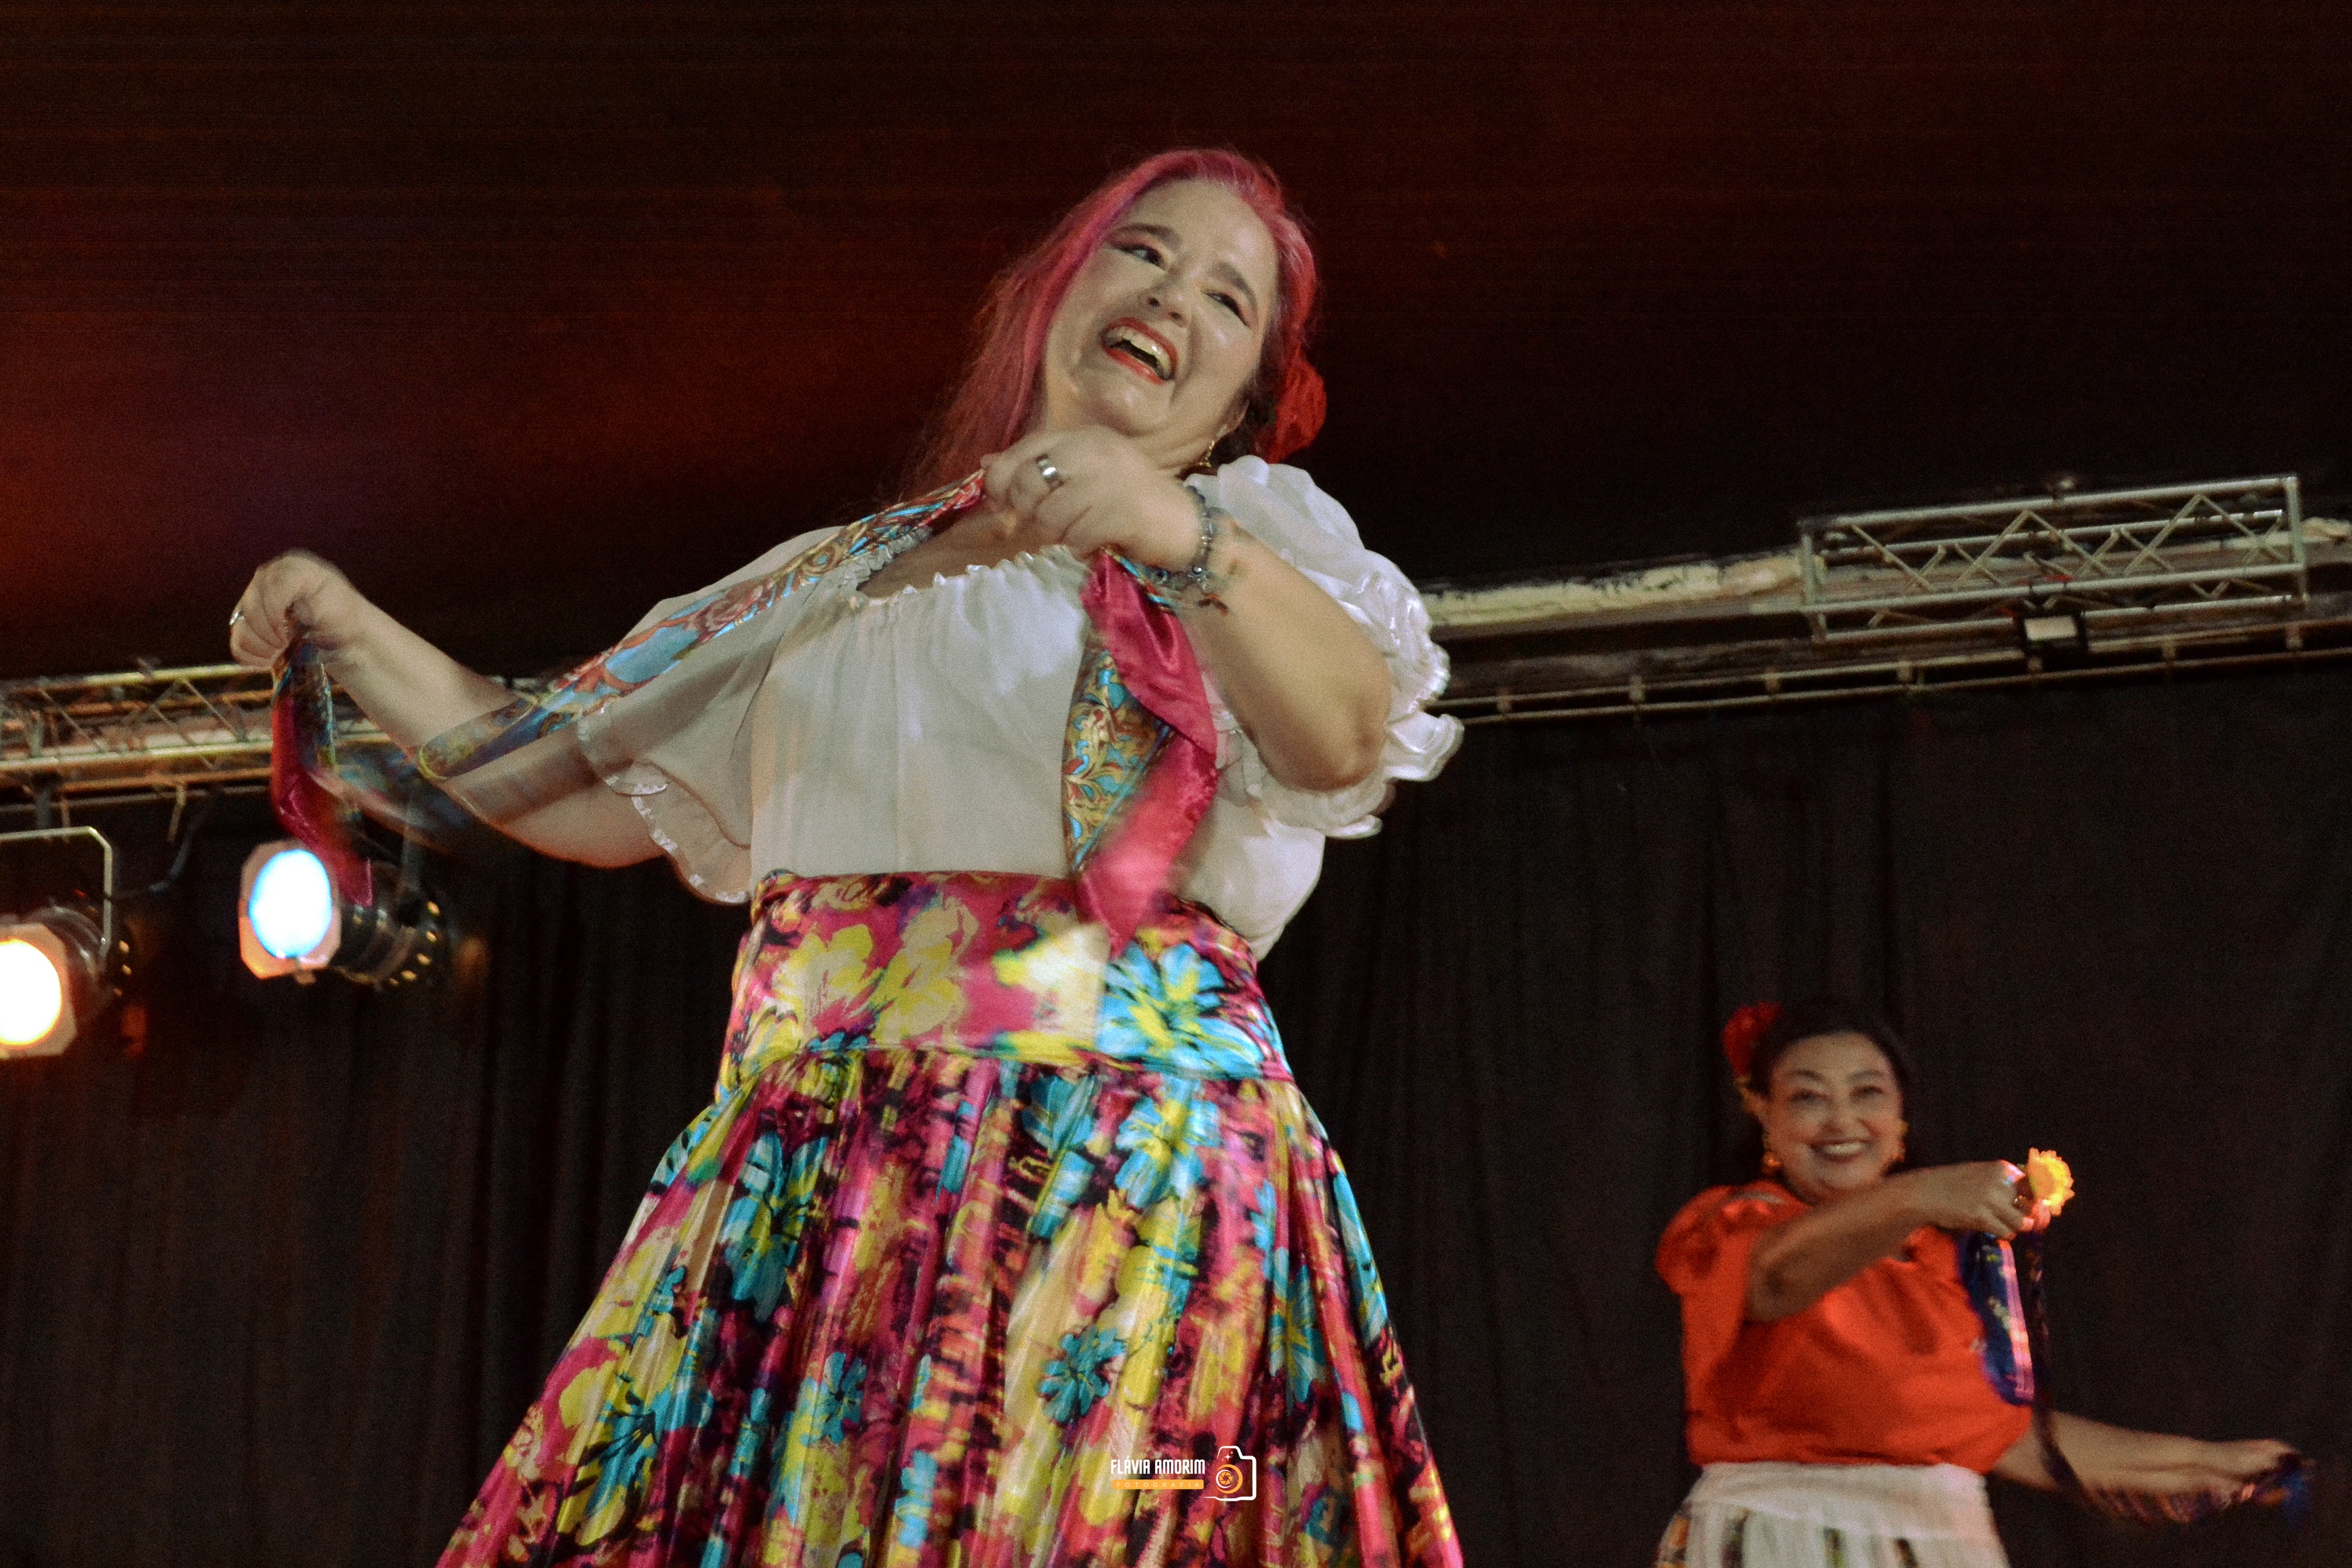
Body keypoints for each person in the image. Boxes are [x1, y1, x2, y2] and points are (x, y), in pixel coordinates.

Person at [229, 150, 1463, 1567]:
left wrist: (1170, 528)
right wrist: (349, 630)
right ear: (1059, 287)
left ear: (1244, 400)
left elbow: (1343, 737)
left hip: (1118, 1164)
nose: (1172, 295)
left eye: (1228, 299)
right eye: (1143, 253)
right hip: (823, 1175)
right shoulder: (826, 578)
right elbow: (562, 778)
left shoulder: (1246, 541)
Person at [1654, 998, 2298, 1567]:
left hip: (1943, 1546)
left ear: (1901, 1112)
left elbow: (2001, 1434)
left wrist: (2204, 1464)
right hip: (1783, 1541)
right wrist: (1922, 1194)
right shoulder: (1734, 1227)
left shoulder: (1941, 1258)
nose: (1842, 1121)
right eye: (1807, 1097)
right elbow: (1777, 1278)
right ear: (1763, 1113)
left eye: (1868, 1092)